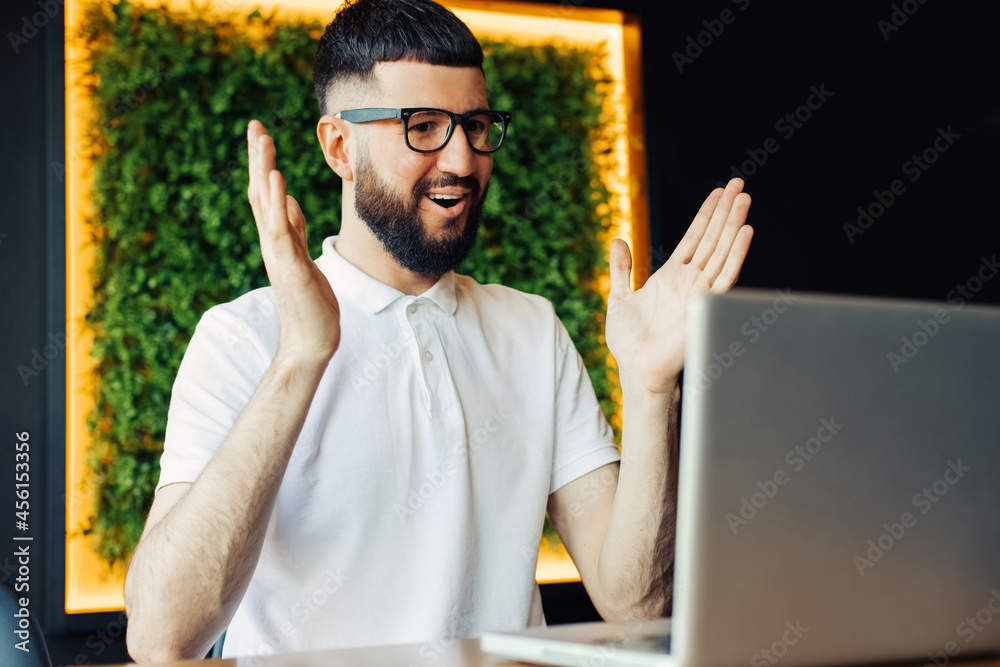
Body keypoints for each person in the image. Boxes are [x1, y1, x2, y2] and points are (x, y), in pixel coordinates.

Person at [123, 0, 753, 662]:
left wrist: (651, 386)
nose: (462, 158)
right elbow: (162, 637)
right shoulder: (240, 337)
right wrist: (301, 356)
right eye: (422, 127)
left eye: (476, 126)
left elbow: (635, 603)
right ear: (340, 145)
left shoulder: (532, 329)